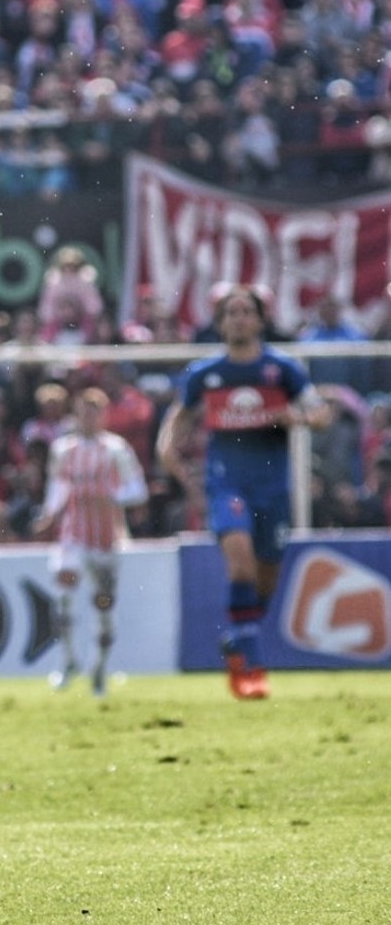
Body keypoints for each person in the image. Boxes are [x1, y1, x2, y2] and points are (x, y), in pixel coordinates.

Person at [155, 285, 329, 700]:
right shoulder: (205, 373)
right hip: (225, 483)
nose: (238, 319)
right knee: (241, 566)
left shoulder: (282, 370)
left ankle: (238, 638)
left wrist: (297, 418)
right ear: (220, 323)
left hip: (272, 487)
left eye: (245, 311)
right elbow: (177, 421)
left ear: (260, 319)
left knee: (265, 582)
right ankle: (250, 668)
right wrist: (171, 457)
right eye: (230, 313)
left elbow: (321, 413)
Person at [33, 387, 148, 697]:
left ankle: (99, 667)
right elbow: (57, 486)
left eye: (95, 411)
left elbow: (137, 489)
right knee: (64, 595)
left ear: (104, 415)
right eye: (83, 411)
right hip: (73, 536)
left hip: (107, 539)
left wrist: (110, 498)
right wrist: (49, 513)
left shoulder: (116, 449)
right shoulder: (63, 449)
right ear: (76, 414)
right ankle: (69, 660)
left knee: (103, 606)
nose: (88, 417)